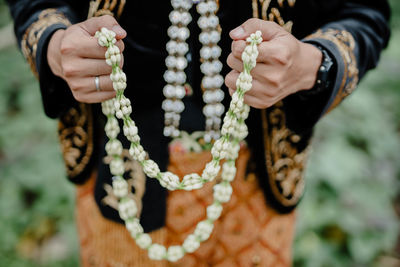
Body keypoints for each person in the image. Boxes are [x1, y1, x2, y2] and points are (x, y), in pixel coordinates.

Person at [7, 0, 390, 266]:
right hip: (120, 178)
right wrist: (54, 45)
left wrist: (314, 63)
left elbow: (364, 13)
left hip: (260, 180)